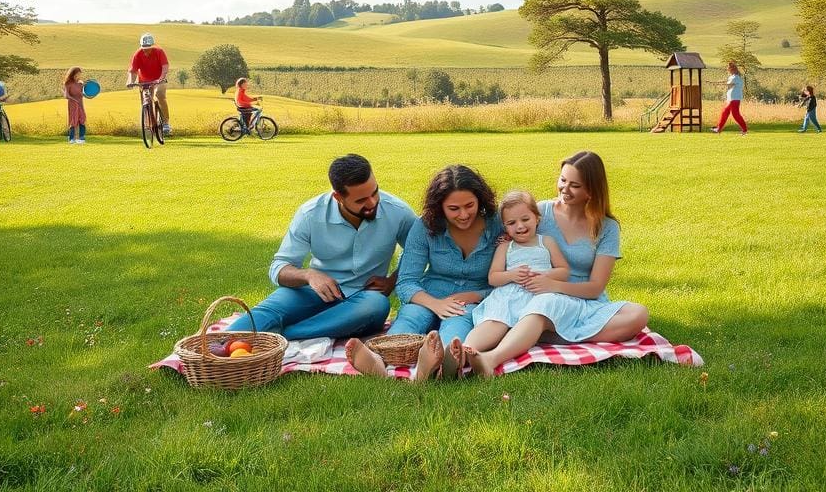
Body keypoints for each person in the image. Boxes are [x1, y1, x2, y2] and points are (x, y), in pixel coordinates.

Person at [464, 151, 649, 378]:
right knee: (547, 304)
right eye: (563, 180)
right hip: (537, 299)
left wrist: (554, 285)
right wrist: (504, 240)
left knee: (638, 314)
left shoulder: (607, 227)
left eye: (575, 185)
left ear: (592, 189)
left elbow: (595, 288)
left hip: (581, 300)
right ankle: (494, 357)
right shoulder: (541, 212)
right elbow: (512, 225)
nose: (564, 189)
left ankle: (536, 333)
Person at [225, 154, 417, 340]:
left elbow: (419, 252)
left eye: (374, 192)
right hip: (315, 292)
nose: (372, 202)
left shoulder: (397, 211)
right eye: (360, 200)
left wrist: (393, 280)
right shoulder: (310, 214)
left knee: (376, 305)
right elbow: (279, 267)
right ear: (337, 197)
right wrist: (309, 275)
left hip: (364, 297)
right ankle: (211, 345)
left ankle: (284, 335)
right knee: (270, 310)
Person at [345, 164, 503, 381]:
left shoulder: (498, 225)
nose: (464, 214)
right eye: (454, 209)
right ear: (440, 207)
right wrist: (435, 304)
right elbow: (406, 280)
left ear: (480, 200)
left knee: (458, 323)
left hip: (471, 301)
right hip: (429, 294)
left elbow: (509, 280)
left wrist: (476, 296)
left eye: (470, 205)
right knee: (412, 316)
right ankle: (378, 360)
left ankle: (442, 363)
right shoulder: (425, 226)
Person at [467, 189, 571, 343]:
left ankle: (523, 337)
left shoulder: (546, 242)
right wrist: (511, 275)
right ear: (505, 227)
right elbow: (493, 277)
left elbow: (564, 271)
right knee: (497, 321)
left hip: (540, 293)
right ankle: (467, 349)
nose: (520, 226)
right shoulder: (505, 247)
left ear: (537, 218)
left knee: (538, 317)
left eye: (525, 219)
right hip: (510, 296)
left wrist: (544, 275)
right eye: (512, 223)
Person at [127, 32, 170, 134]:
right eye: (144, 48)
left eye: (148, 48)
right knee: (145, 102)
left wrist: (161, 78)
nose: (146, 50)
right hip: (144, 81)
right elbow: (133, 70)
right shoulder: (138, 54)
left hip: (159, 79)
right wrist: (130, 82)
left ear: (153, 46)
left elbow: (165, 67)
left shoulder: (159, 51)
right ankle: (149, 125)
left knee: (159, 94)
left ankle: (166, 123)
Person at [710, 61, 748, 135]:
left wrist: (717, 84)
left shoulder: (736, 77)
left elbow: (729, 85)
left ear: (732, 69)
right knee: (724, 113)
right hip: (730, 99)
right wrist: (716, 83)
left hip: (734, 98)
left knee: (735, 115)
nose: (728, 70)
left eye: (728, 69)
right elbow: (727, 82)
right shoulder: (732, 77)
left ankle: (745, 130)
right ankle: (719, 129)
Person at [63, 67, 87, 144]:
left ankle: (82, 138)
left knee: (82, 119)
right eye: (77, 75)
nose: (78, 77)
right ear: (72, 74)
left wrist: (85, 89)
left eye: (79, 75)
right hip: (73, 104)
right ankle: (71, 139)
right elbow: (66, 95)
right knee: (73, 120)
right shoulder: (68, 83)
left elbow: (83, 94)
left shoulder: (80, 84)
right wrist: (74, 100)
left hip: (80, 104)